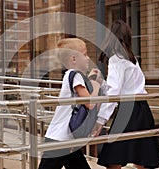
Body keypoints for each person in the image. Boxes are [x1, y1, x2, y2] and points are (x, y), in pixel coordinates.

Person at [89, 20, 159, 169]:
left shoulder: (116, 59)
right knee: (140, 157)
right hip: (141, 109)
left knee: (114, 158)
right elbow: (124, 87)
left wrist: (100, 121)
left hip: (128, 111)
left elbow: (114, 92)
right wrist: (102, 82)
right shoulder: (131, 58)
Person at [38, 38, 100, 169]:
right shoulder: (74, 75)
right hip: (59, 139)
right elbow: (89, 103)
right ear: (73, 59)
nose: (88, 58)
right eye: (85, 54)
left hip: (65, 138)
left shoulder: (71, 75)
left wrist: (90, 78)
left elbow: (80, 92)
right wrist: (96, 85)